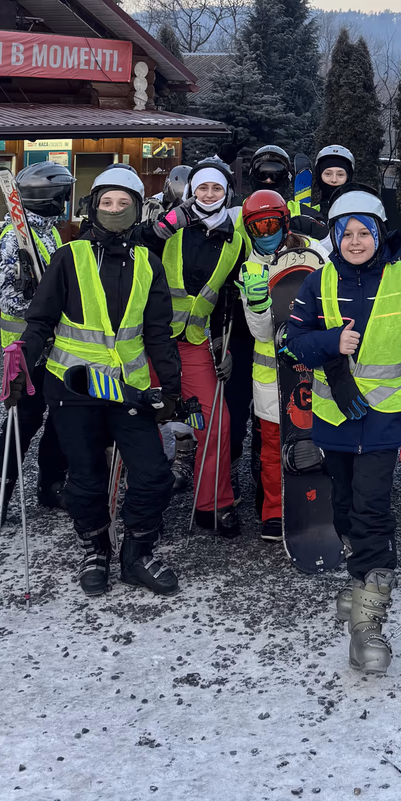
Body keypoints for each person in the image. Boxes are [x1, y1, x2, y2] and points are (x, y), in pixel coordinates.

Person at [285, 189, 401, 674]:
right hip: (334, 419)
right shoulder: (317, 281)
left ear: (379, 234)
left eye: (364, 232)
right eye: (346, 233)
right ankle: (359, 586)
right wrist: (330, 341)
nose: (356, 241)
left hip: (385, 417)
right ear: (334, 237)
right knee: (345, 509)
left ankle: (367, 626)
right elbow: (293, 342)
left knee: (373, 510)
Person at [21, 164, 182, 597]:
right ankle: (95, 547)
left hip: (126, 390)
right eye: (106, 203)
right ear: (93, 207)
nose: (114, 210)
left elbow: (158, 332)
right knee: (86, 478)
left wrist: (171, 389)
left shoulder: (148, 262)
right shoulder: (68, 257)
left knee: (153, 474)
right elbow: (40, 321)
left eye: (123, 204)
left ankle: (137, 553)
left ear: (136, 212)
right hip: (73, 388)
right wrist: (21, 364)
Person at [143, 157, 245, 536]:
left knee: (215, 423)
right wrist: (163, 229)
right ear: (190, 191)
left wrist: (223, 341)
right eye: (202, 187)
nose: (209, 194)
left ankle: (212, 505)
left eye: (216, 188)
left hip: (194, 343)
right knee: (139, 417)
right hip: (149, 340)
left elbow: (229, 294)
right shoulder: (170, 224)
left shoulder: (235, 237)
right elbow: (134, 247)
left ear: (226, 193)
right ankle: (144, 500)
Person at [0, 160, 72, 526]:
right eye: (62, 195)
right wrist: (43, 305)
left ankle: (51, 484)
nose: (66, 202)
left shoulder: (49, 233)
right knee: (24, 419)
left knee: (61, 418)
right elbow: (10, 300)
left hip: (57, 346)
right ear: (49, 197)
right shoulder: (14, 240)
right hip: (27, 346)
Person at [234, 188, 326, 540]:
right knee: (273, 448)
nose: (266, 232)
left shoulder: (314, 253)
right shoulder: (250, 268)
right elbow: (259, 332)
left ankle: (319, 505)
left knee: (316, 440)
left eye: (272, 223)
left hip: (312, 368)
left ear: (285, 221)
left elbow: (329, 304)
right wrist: (256, 304)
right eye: (257, 227)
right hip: (271, 375)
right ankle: (274, 511)